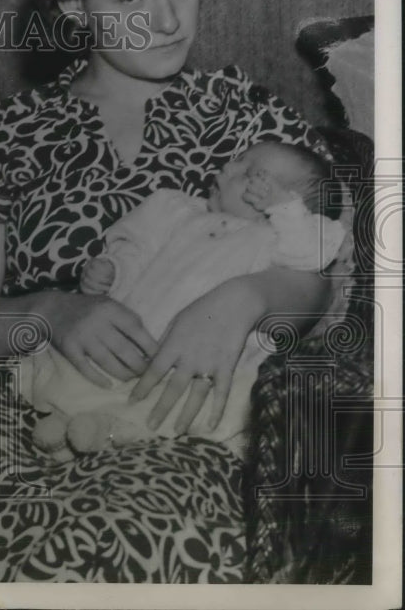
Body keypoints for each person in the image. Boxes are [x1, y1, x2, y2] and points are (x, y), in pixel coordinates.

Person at [0, 0, 349, 582]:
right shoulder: (9, 131)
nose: (169, 20)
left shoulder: (246, 116)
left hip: (183, 418)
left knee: (118, 548)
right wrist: (50, 310)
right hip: (20, 409)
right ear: (75, 5)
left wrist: (244, 299)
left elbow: (322, 283)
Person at [22, 141, 346, 458]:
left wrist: (286, 211)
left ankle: (116, 429)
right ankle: (67, 419)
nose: (229, 167)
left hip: (201, 366)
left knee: (234, 397)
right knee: (79, 364)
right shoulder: (180, 213)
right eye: (237, 159)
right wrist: (112, 269)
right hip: (132, 337)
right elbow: (138, 247)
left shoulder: (278, 243)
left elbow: (312, 256)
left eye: (252, 173)